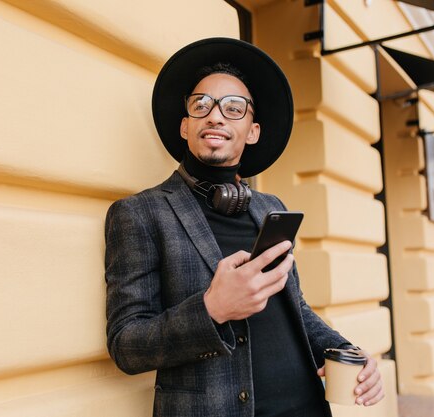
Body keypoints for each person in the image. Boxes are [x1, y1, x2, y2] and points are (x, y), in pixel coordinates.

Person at [105, 37, 384, 417]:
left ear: (252, 131)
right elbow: (126, 345)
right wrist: (211, 308)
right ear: (185, 126)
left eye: (234, 108)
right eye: (201, 105)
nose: (216, 116)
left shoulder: (272, 208)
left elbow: (294, 307)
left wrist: (348, 352)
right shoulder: (139, 213)